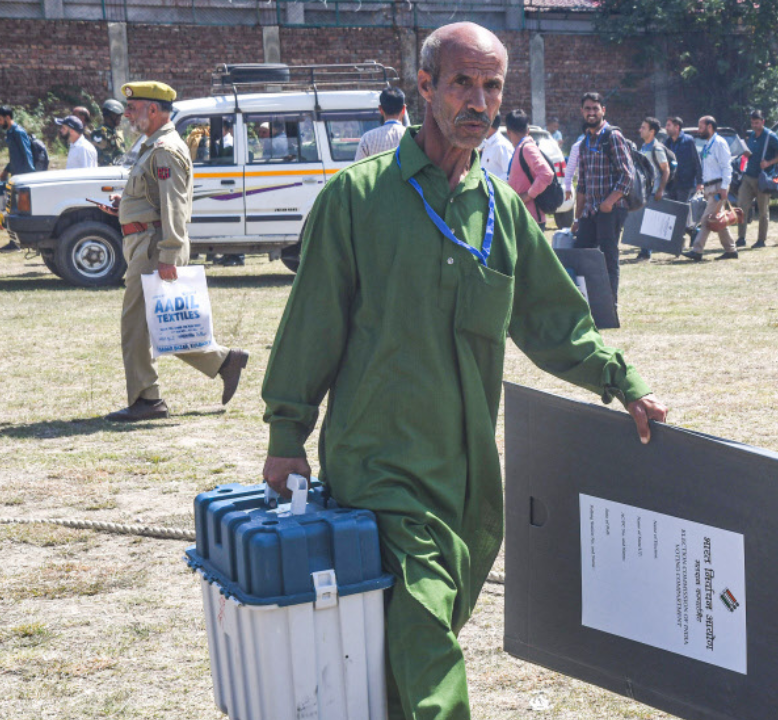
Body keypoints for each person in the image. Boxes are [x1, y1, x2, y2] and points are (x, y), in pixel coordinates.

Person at [259, 23, 667, 720]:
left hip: (471, 477)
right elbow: (311, 328)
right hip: (379, 464)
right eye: (461, 83)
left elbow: (555, 323)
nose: (478, 101)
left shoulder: (504, 214)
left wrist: (621, 381)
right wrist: (286, 434)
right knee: (425, 628)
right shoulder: (357, 201)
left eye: (492, 86)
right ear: (424, 87)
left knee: (421, 631)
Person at [99, 81, 248, 421]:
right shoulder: (153, 146)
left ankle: (147, 400)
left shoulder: (164, 148)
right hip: (145, 244)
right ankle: (224, 361)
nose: (127, 114)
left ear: (153, 110)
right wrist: (126, 207)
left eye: (133, 108)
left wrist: (170, 254)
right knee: (160, 324)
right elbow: (156, 198)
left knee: (137, 326)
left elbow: (176, 207)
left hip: (153, 248)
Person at [572, 92, 635, 300]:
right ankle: (589, 304)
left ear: (603, 111)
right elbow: (582, 184)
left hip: (611, 210)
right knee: (581, 256)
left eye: (595, 109)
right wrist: (577, 217)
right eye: (587, 109)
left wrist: (609, 203)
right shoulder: (584, 143)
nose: (591, 113)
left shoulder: (612, 136)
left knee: (608, 259)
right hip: (590, 211)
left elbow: (627, 175)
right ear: (582, 112)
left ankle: (610, 307)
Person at [684, 115, 738, 261]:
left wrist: (724, 187)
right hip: (710, 187)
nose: (698, 130)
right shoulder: (708, 144)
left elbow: (727, 167)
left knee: (706, 219)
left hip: (718, 186)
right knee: (717, 219)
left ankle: (697, 250)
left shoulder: (719, 143)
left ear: (709, 127)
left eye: (701, 127)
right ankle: (731, 250)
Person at [735, 109, 778, 249]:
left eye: (757, 123)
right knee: (741, 206)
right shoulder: (751, 136)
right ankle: (741, 238)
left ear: (763, 122)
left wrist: (769, 163)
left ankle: (761, 240)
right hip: (748, 176)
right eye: (752, 123)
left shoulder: (770, 136)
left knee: (763, 211)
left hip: (763, 179)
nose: (754, 125)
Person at [0, 106, 35, 252]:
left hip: (23, 179)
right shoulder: (11, 133)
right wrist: (5, 171)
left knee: (19, 212)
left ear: (7, 118)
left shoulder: (18, 132)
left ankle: (17, 243)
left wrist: (29, 177)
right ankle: (15, 242)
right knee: (12, 211)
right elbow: (15, 158)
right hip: (15, 178)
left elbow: (27, 155)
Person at [505, 109, 554, 229]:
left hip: (531, 219)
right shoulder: (520, 148)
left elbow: (547, 174)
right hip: (522, 216)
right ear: (528, 130)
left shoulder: (527, 148)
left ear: (508, 132)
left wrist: (529, 195)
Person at [634, 116, 672, 260]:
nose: (640, 130)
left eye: (643, 128)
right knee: (643, 220)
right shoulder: (643, 147)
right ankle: (645, 250)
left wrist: (660, 189)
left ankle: (646, 252)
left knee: (648, 222)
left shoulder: (657, 148)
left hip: (653, 191)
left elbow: (666, 169)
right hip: (643, 190)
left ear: (652, 131)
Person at [663, 116, 702, 245]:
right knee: (674, 211)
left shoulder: (688, 141)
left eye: (669, 125)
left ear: (677, 127)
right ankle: (693, 231)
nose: (666, 128)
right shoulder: (667, 143)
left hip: (685, 182)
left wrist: (700, 181)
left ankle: (679, 240)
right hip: (671, 183)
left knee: (681, 211)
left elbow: (697, 161)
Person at [354, 86, 408, 160]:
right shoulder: (412, 137)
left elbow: (358, 168)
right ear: (403, 109)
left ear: (380, 109)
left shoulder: (367, 139)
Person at [478, 112, 515, 182]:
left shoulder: (501, 146)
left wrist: (491, 184)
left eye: (481, 124)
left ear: (489, 125)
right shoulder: (487, 144)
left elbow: (510, 174)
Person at [91, 98, 128, 166]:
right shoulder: (99, 133)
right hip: (105, 172)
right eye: (118, 116)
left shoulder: (114, 132)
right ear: (110, 115)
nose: (120, 118)